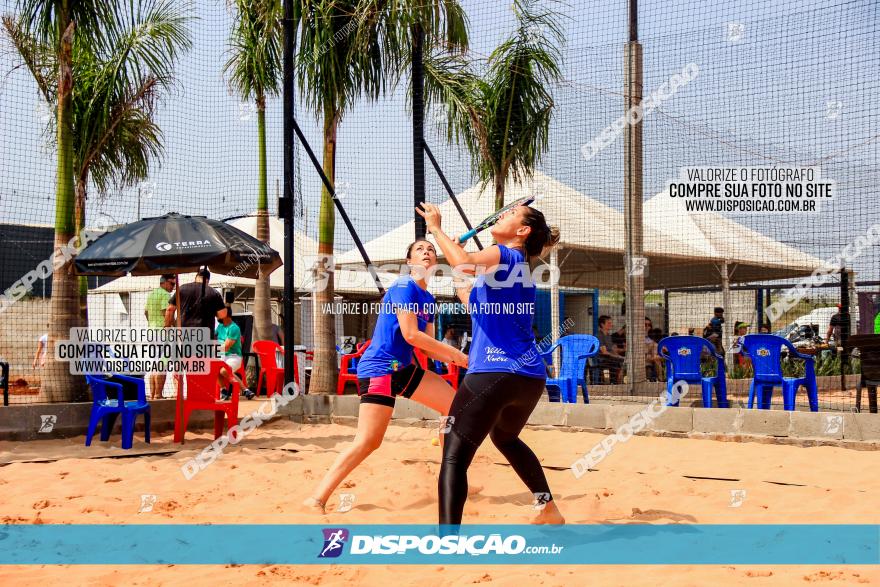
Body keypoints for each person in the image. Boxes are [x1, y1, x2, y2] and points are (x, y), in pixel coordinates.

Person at [417, 200, 565, 526]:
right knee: (506, 438)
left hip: (495, 372)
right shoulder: (515, 271)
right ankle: (548, 508)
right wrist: (456, 256)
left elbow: (467, 263)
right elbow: (470, 295)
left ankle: (447, 542)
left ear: (522, 231)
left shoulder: (506, 254)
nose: (503, 214)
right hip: (528, 378)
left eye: (511, 214)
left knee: (453, 455)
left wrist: (437, 230)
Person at [303, 239, 468, 514]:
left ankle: (448, 477)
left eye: (430, 250)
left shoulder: (429, 299)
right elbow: (411, 334)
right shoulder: (404, 286)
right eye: (419, 249)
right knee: (369, 441)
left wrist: (460, 359)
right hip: (380, 368)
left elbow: (424, 346)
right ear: (409, 262)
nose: (427, 252)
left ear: (435, 263)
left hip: (402, 369)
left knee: (453, 407)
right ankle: (316, 498)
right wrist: (459, 357)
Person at [144, 274, 176, 399]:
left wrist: (152, 323)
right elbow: (166, 312)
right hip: (162, 332)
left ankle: (152, 395)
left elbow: (146, 312)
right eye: (172, 284)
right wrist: (175, 325)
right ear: (164, 282)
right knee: (163, 363)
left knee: (154, 364)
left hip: (151, 332)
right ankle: (158, 394)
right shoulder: (165, 294)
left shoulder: (152, 294)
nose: (173, 287)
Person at [216, 310, 255, 400]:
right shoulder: (220, 326)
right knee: (214, 369)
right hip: (221, 356)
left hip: (233, 356)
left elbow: (226, 347)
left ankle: (245, 390)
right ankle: (224, 392)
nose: (216, 317)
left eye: (218, 315)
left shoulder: (234, 328)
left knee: (224, 371)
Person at [597, 315, 625, 384]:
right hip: (602, 359)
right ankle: (614, 382)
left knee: (623, 360)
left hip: (610, 358)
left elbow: (613, 350)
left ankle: (619, 382)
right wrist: (616, 356)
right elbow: (604, 352)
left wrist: (621, 354)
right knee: (617, 362)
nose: (611, 325)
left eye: (611, 323)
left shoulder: (608, 335)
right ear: (602, 324)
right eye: (609, 323)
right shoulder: (599, 335)